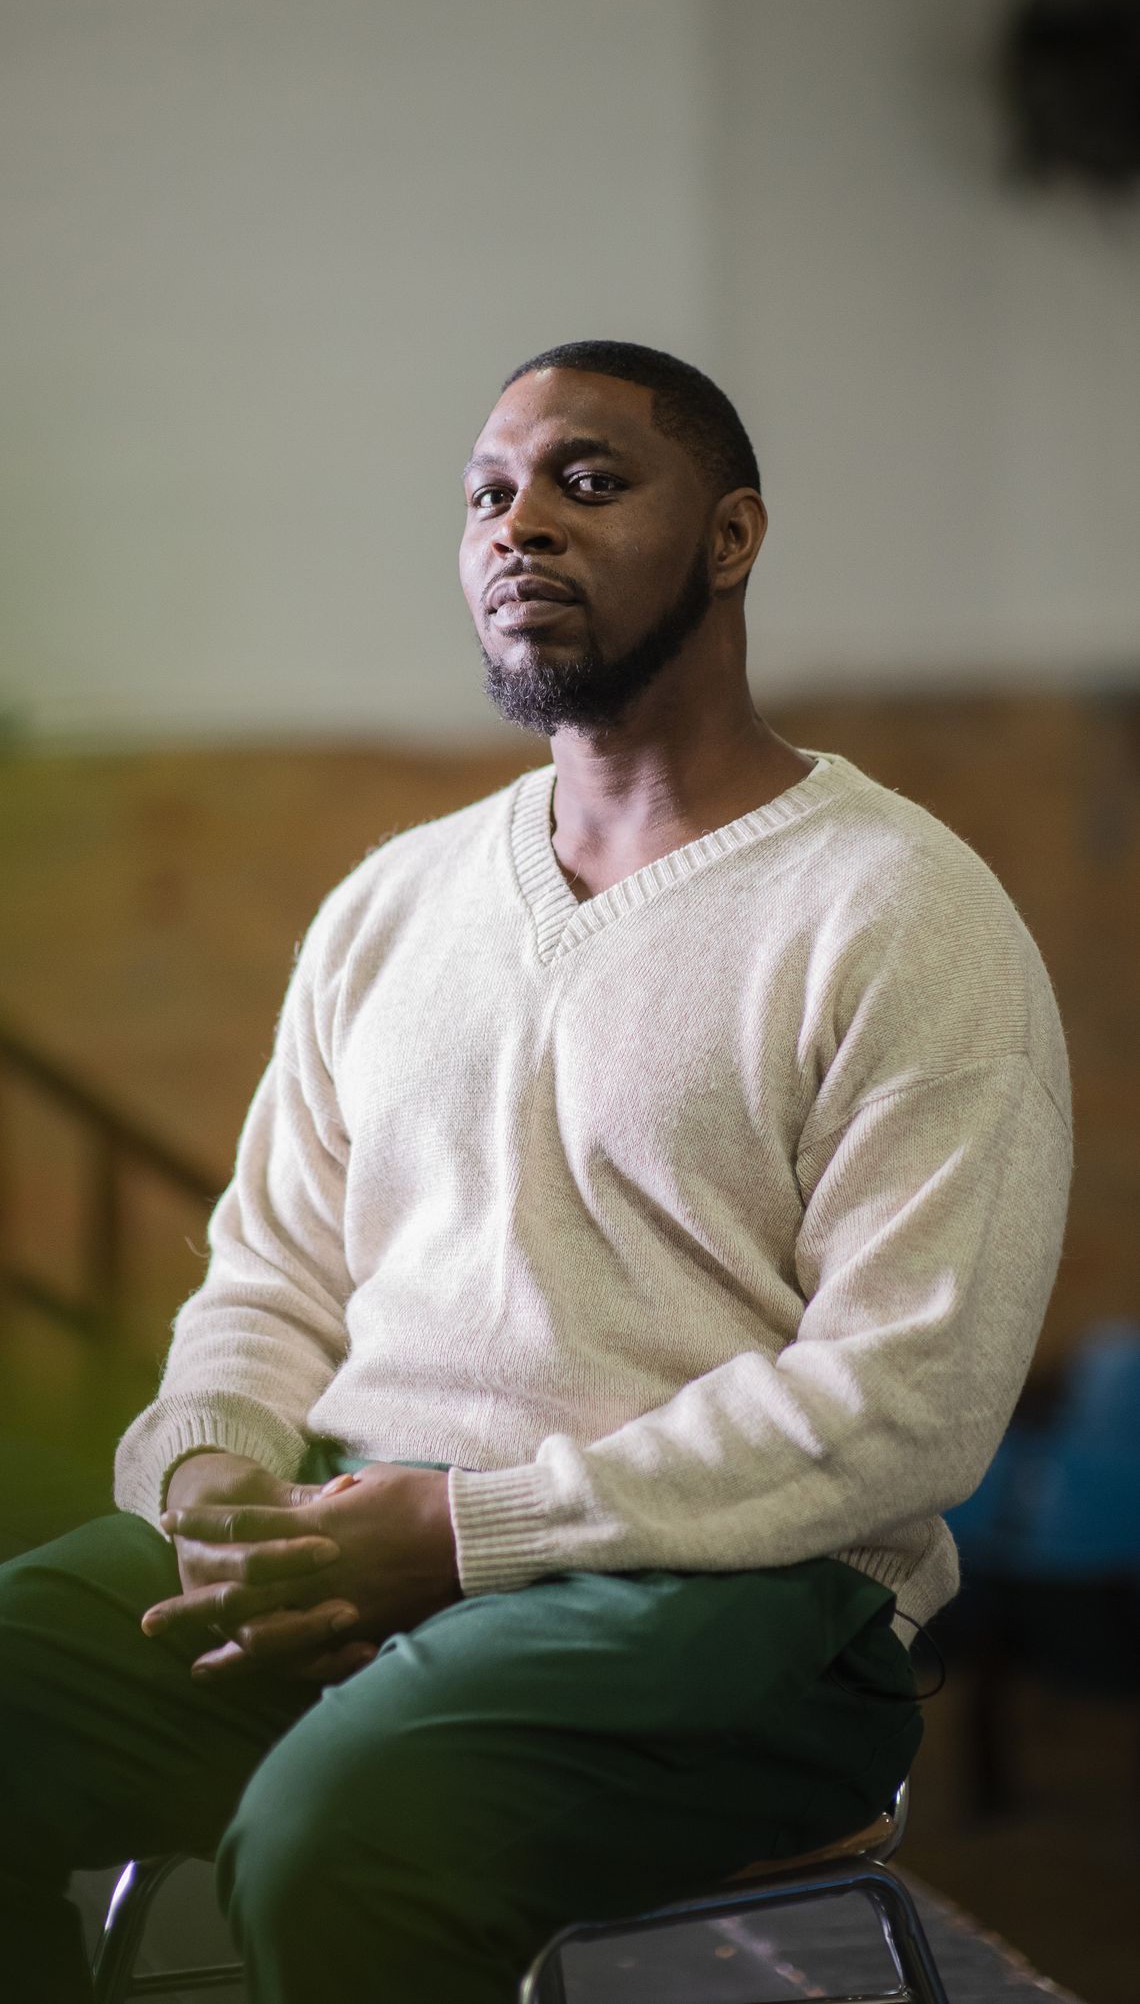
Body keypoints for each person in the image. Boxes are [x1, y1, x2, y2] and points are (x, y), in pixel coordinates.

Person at [0, 340, 1072, 2004]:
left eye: (587, 482)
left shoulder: (898, 911)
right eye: (489, 494)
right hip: (358, 1540)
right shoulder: (392, 903)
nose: (520, 528)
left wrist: (465, 1535)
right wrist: (212, 1481)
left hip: (741, 1603)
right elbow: (272, 1276)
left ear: (731, 539)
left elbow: (909, 1401)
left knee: (346, 1826)